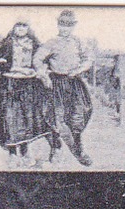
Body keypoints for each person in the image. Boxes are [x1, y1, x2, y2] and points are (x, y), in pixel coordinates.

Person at [0, 21, 56, 164]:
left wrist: (40, 71)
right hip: (9, 85)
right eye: (18, 26)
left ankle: (26, 151)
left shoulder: (34, 44)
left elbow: (43, 61)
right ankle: (12, 153)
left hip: (29, 84)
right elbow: (0, 64)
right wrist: (19, 69)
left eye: (24, 26)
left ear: (29, 28)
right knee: (9, 117)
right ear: (13, 28)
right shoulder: (7, 44)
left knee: (27, 118)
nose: (21, 29)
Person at [40, 10, 96, 166]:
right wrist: (44, 75)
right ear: (58, 25)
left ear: (73, 26)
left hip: (74, 82)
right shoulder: (51, 42)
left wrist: (79, 70)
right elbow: (38, 60)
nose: (65, 28)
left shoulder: (78, 42)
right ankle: (55, 149)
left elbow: (88, 58)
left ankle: (78, 149)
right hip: (56, 83)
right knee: (56, 116)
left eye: (69, 25)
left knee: (80, 113)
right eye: (62, 24)